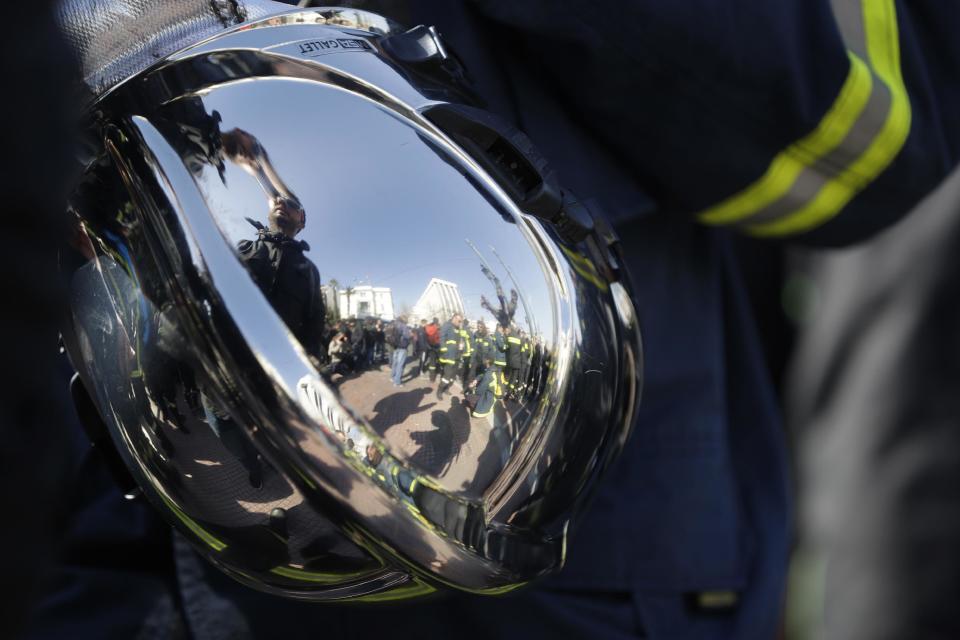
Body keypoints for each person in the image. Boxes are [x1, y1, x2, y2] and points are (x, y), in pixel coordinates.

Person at [436, 313, 463, 400]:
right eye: (459, 321)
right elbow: (442, 338)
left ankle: (446, 388)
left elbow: (458, 340)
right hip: (449, 356)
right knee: (447, 375)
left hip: (456, 356)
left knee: (452, 376)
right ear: (454, 318)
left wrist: (461, 347)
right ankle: (439, 391)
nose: (460, 323)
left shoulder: (457, 328)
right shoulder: (447, 325)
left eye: (461, 321)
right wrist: (445, 352)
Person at [389, 316, 411, 387]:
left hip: (395, 346)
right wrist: (411, 335)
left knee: (395, 362)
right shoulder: (404, 326)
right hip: (402, 346)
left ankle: (392, 377)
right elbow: (407, 336)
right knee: (400, 364)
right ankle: (397, 381)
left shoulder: (394, 324)